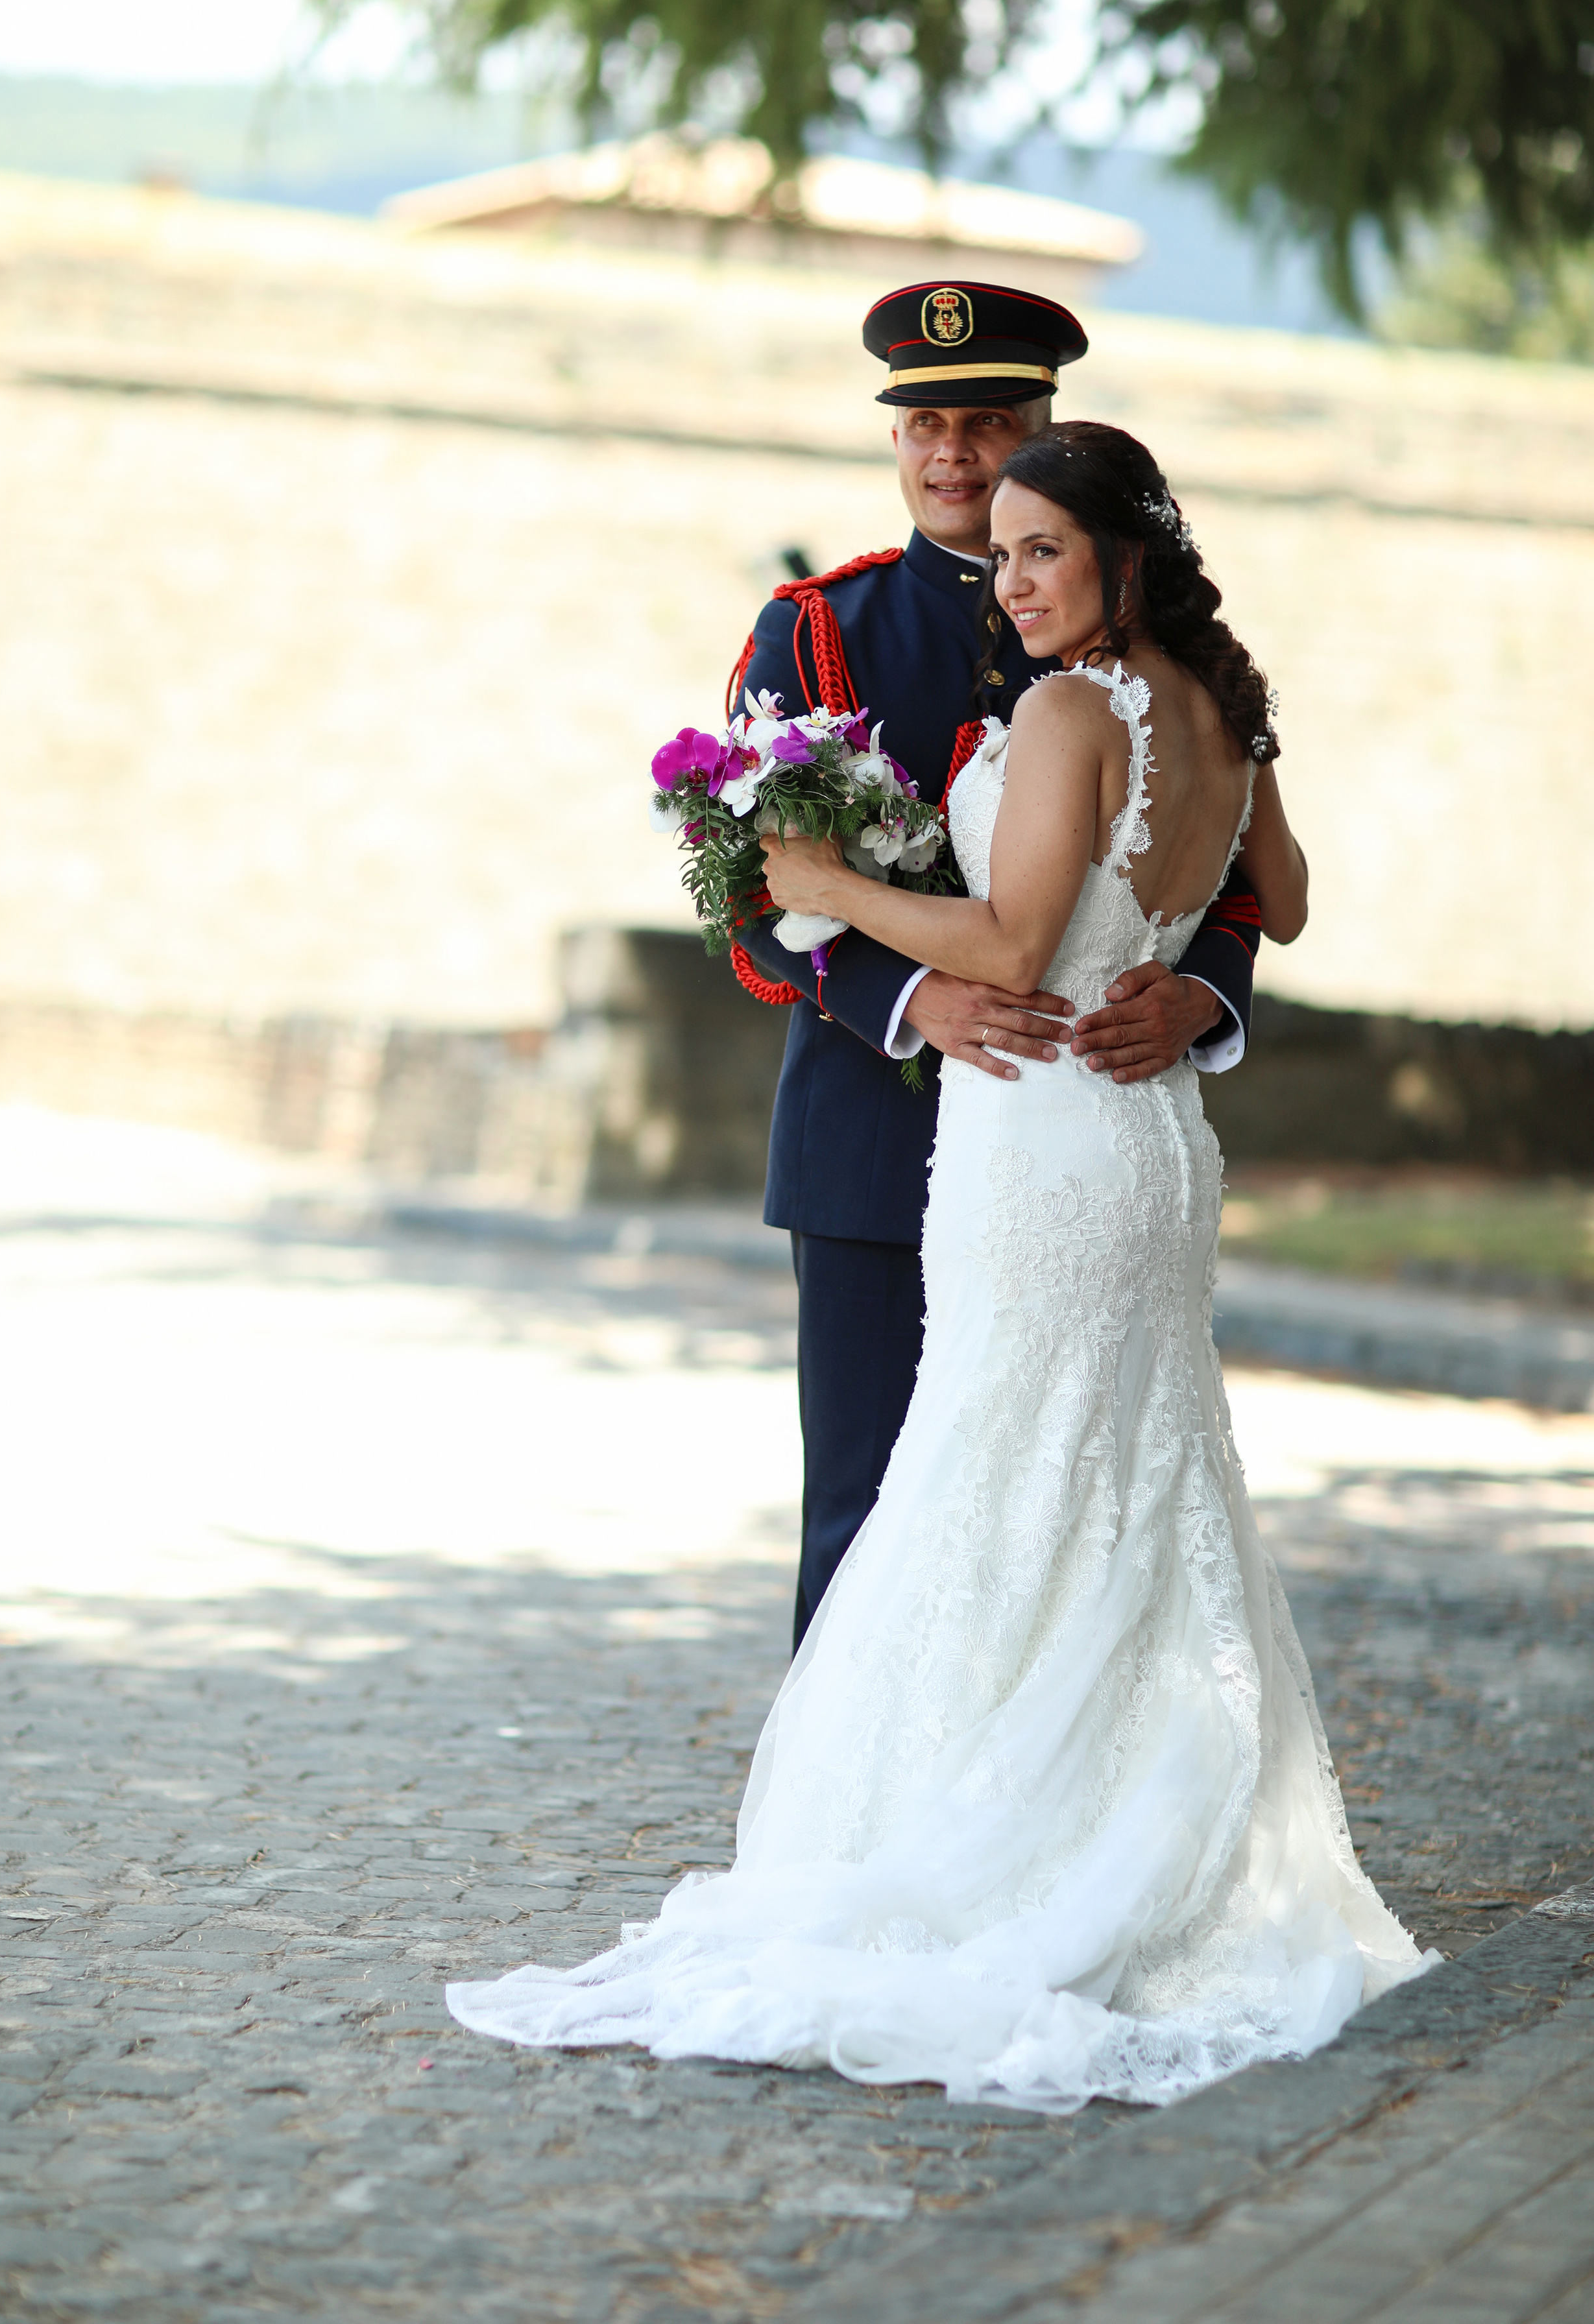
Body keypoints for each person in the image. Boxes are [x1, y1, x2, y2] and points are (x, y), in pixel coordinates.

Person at [448, 422, 1431, 2111]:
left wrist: (824, 879)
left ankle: (987, 1854)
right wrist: (1171, 970)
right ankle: (1135, 1845)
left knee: (994, 1476)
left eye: (1045, 551)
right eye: (1008, 551)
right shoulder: (1221, 705)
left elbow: (1012, 945)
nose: (1013, 581)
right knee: (1121, 1482)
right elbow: (1282, 896)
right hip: (1151, 1145)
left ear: (1124, 559)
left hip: (1039, 1130)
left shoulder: (1067, 712)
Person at [725, 280, 1263, 1646]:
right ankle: (857, 1780)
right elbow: (748, 881)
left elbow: (1236, 864)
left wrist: (1199, 991)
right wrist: (914, 996)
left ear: (1043, 429)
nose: (952, 452)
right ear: (894, 440)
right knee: (868, 1509)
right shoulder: (819, 631)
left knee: (1071, 1504)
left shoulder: (1152, 649)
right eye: (925, 425)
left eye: (987, 422)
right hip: (870, 1126)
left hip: (1077, 1121)